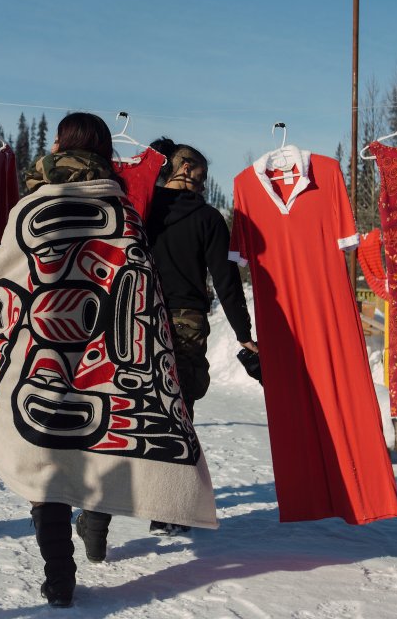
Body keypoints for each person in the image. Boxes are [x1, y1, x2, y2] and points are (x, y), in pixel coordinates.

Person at [0, 113, 217, 608]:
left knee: (44, 459)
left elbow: (4, 273)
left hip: (42, 352)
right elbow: (139, 287)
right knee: (92, 445)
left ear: (57, 145)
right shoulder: (124, 212)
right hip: (102, 358)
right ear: (104, 152)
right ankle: (94, 525)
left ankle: (59, 577)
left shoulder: (32, 208)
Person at [145, 138, 258, 534]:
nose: (206, 182)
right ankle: (169, 510)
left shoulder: (142, 208)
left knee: (139, 410)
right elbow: (226, 280)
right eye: (204, 174)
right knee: (180, 412)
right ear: (188, 169)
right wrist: (244, 334)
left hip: (139, 317)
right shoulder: (209, 219)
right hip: (186, 322)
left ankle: (106, 510)